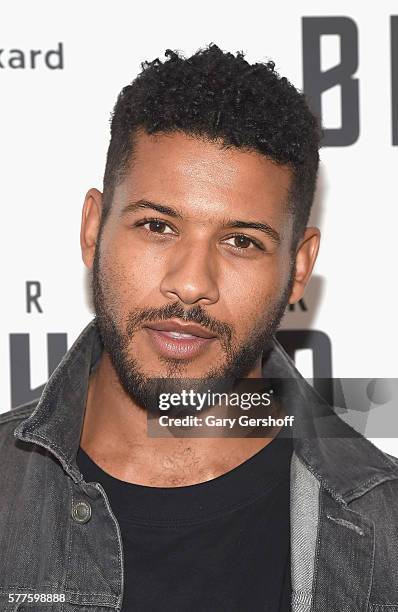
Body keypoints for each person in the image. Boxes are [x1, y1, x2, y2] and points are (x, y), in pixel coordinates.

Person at [1, 44, 397, 612]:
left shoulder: (387, 530)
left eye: (242, 241)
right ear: (93, 229)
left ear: (297, 269)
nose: (191, 284)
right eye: (157, 225)